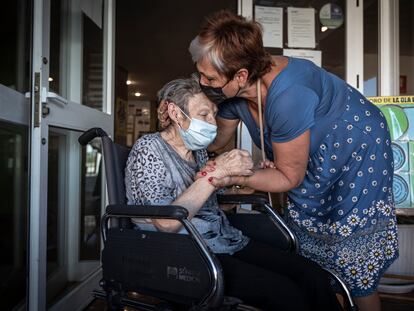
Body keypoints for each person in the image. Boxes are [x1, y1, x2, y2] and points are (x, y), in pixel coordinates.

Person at [161, 10, 398, 311]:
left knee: (353, 258)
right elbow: (218, 141)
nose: (203, 82)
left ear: (241, 76)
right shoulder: (233, 94)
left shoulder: (290, 95)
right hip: (313, 160)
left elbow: (288, 178)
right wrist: (181, 137)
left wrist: (230, 174)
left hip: (355, 151)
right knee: (312, 248)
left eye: (210, 77)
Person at [125, 78, 342, 311]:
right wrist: (214, 175)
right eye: (204, 114)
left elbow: (206, 206)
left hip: (224, 240)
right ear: (175, 113)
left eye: (214, 114)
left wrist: (242, 181)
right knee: (286, 293)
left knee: (312, 276)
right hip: (184, 253)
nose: (212, 122)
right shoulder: (149, 148)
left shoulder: (197, 153)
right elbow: (166, 222)